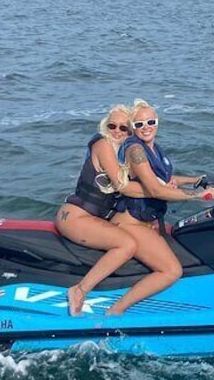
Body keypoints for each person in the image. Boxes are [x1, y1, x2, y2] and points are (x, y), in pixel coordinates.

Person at [107, 99, 214, 315]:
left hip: (148, 221)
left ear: (157, 122)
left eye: (150, 121)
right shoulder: (135, 150)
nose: (146, 127)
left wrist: (196, 179)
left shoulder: (154, 148)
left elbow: (164, 178)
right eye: (139, 124)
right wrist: (198, 195)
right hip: (131, 223)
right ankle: (116, 311)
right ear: (133, 128)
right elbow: (155, 189)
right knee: (171, 270)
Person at [54, 104, 146, 316]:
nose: (116, 131)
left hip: (92, 217)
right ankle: (79, 290)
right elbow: (122, 185)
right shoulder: (103, 144)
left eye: (124, 128)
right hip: (75, 216)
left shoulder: (124, 155)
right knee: (126, 245)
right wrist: (157, 191)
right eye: (112, 125)